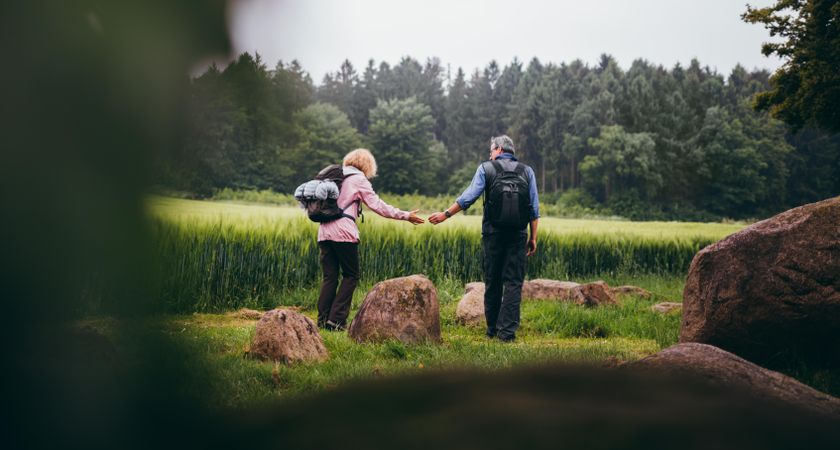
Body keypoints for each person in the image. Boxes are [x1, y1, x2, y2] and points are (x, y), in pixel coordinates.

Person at [429, 135, 540, 342]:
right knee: (514, 283)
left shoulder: (486, 169)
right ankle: (507, 334)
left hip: (493, 233)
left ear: (499, 149)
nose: (490, 153)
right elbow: (534, 209)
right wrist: (533, 238)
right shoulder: (527, 171)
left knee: (493, 281)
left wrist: (445, 214)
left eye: (491, 149)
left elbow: (469, 197)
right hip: (518, 234)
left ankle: (492, 330)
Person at [317, 148, 424, 331]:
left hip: (324, 232)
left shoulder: (334, 178)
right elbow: (378, 205)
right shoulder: (358, 179)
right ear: (367, 165)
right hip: (344, 233)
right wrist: (405, 215)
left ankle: (322, 319)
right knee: (351, 275)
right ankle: (335, 322)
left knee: (330, 277)